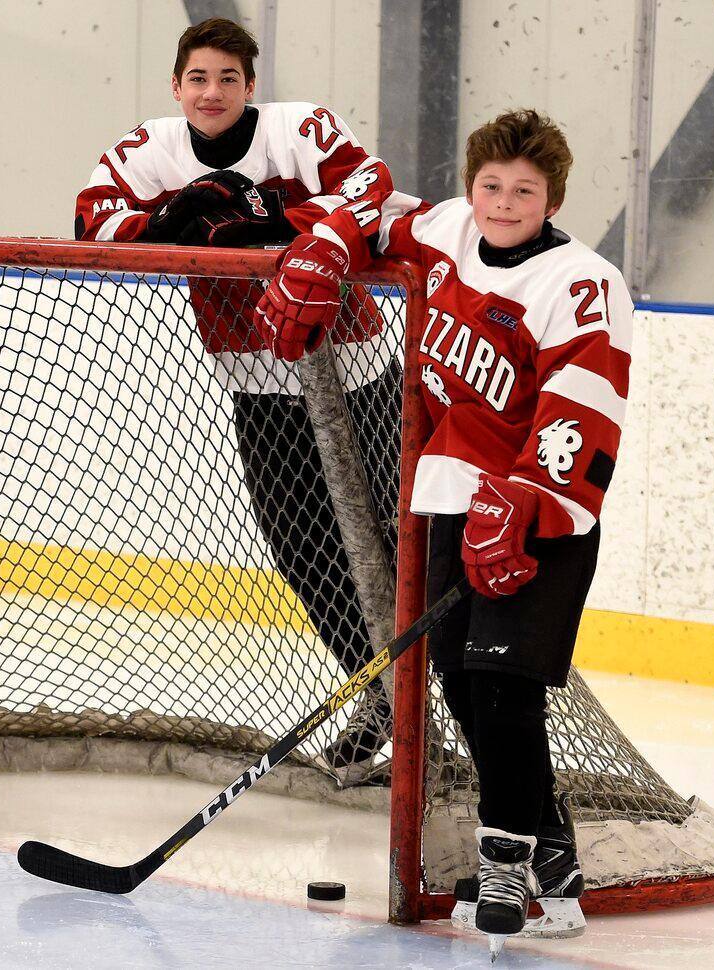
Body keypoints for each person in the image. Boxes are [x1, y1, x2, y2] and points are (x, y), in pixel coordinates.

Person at [262, 108, 632, 948]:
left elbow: (586, 409)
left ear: (553, 198)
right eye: (491, 185)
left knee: (506, 687)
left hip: (540, 511)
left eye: (524, 191)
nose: (503, 203)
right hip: (447, 499)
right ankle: (554, 853)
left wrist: (527, 502)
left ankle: (506, 861)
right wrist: (331, 239)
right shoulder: (449, 229)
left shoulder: (582, 283)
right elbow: (373, 202)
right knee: (464, 688)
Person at [75, 17, 402, 769]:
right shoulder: (152, 149)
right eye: (198, 78)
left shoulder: (299, 128)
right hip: (256, 383)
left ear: (251, 86)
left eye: (228, 78)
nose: (212, 91)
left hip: (355, 370)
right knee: (302, 549)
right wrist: (172, 217)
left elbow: (371, 189)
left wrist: (276, 219)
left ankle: (428, 698)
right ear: (176, 86)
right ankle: (382, 691)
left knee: (385, 543)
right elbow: (92, 220)